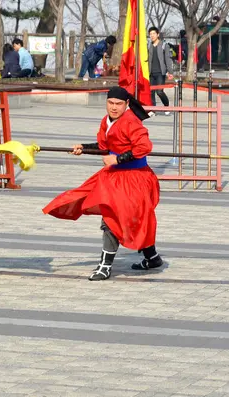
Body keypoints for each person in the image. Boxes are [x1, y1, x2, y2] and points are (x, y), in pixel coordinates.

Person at [42, 86, 163, 281]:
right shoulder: (106, 122)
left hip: (135, 177)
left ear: (127, 105)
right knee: (123, 215)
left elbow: (144, 147)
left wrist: (117, 159)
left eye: (118, 104)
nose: (114, 108)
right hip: (113, 176)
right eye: (110, 103)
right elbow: (104, 146)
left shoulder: (132, 122)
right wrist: (84, 148)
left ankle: (105, 266)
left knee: (114, 216)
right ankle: (153, 258)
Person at [147, 27, 173, 115]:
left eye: (154, 33)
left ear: (158, 34)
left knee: (159, 92)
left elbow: (168, 59)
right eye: (150, 34)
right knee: (151, 92)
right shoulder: (148, 46)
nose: (152, 36)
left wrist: (170, 71)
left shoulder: (164, 45)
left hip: (160, 73)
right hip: (150, 72)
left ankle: (166, 106)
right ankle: (152, 110)